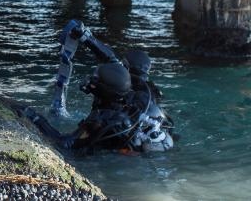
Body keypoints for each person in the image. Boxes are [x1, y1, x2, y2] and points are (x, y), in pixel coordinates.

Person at [19, 20, 175, 154]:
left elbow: (65, 145)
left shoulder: (105, 118)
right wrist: (86, 37)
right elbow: (110, 59)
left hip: (121, 157)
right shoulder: (145, 94)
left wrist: (34, 117)